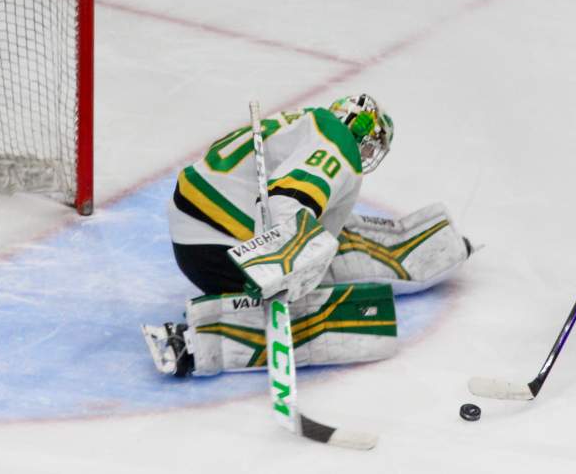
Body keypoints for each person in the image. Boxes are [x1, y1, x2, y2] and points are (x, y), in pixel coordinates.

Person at [142, 94, 474, 376]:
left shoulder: (310, 124)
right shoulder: (338, 143)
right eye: (373, 146)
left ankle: (422, 244)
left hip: (206, 224)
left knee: (328, 241)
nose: (371, 156)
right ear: (365, 135)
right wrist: (280, 263)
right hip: (217, 239)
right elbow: (288, 200)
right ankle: (194, 341)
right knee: (325, 308)